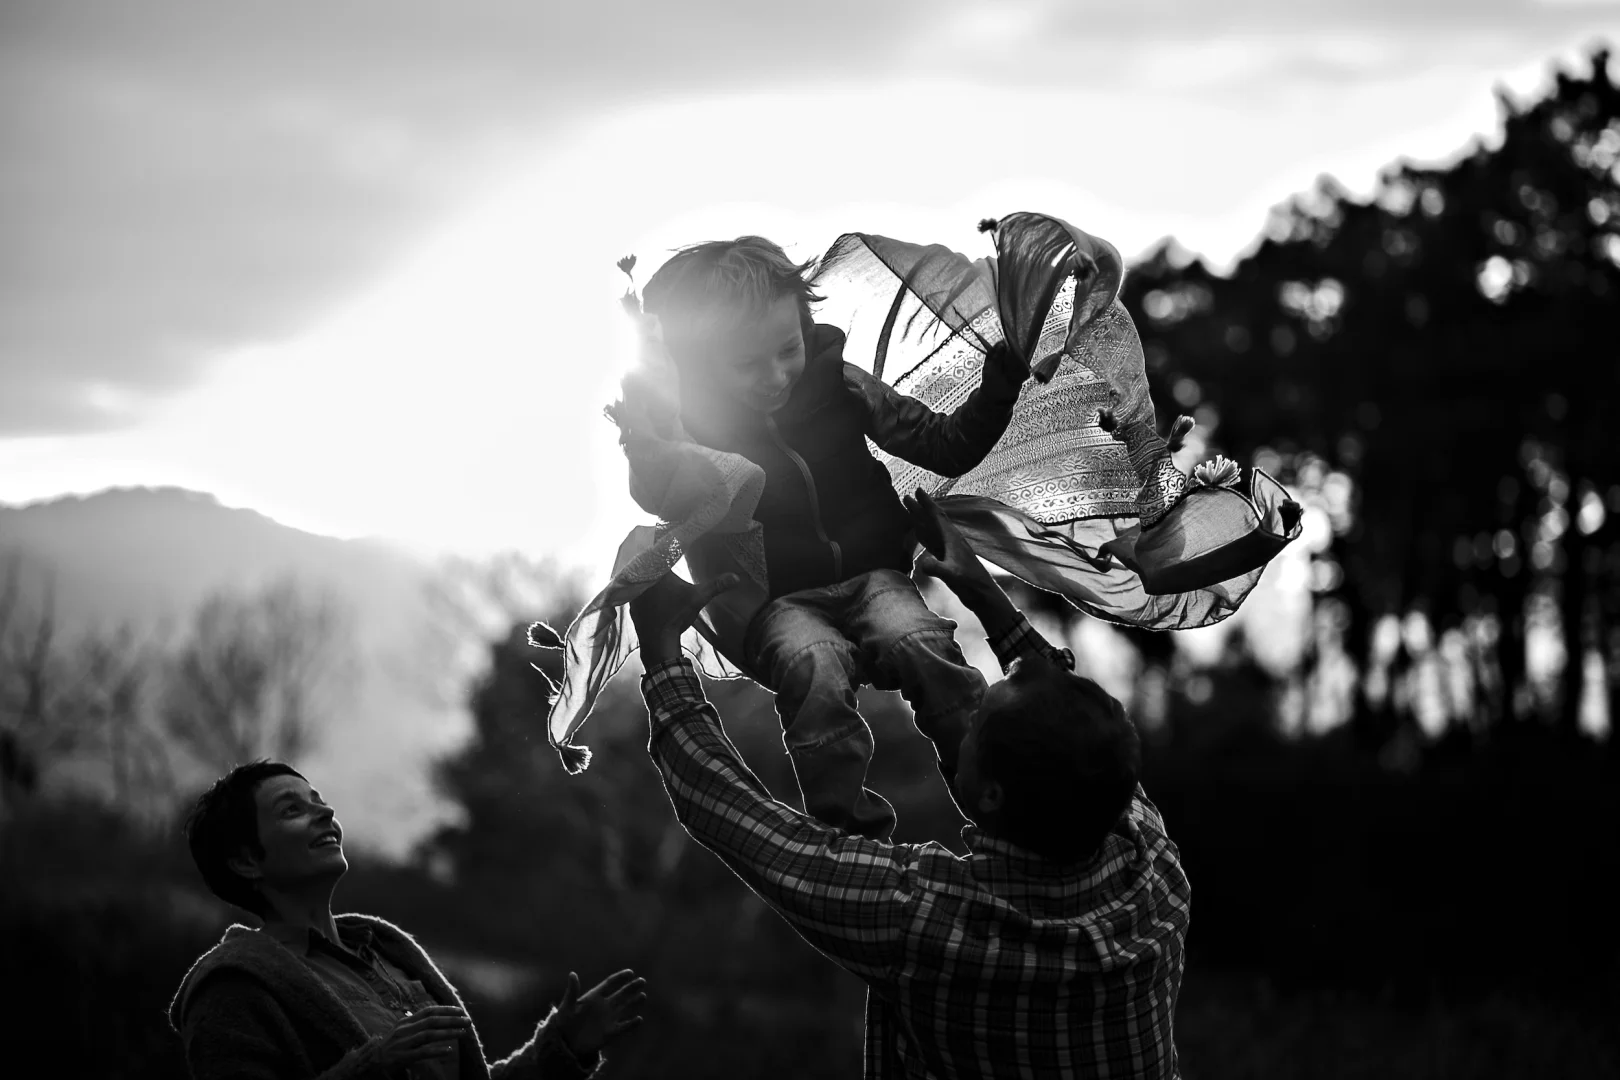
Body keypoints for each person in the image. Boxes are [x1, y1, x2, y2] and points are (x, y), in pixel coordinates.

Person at [627, 488, 1191, 1079]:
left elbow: (729, 812)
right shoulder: (1152, 874)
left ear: (992, 792)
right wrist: (980, 588)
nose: (964, 716)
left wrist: (663, 653)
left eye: (977, 722)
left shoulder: (920, 923)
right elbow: (1078, 735)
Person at [612, 235, 1032, 841]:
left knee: (919, 642)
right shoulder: (692, 429)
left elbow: (944, 444)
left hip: (874, 578)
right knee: (814, 666)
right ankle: (849, 833)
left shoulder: (841, 384)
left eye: (787, 349)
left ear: (805, 326)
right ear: (700, 363)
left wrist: (998, 387)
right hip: (778, 603)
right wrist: (646, 420)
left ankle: (993, 804)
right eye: (747, 364)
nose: (775, 374)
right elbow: (658, 490)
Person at [168, 761, 646, 1080]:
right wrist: (373, 1068)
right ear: (246, 862)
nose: (326, 812)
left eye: (318, 801)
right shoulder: (232, 989)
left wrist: (560, 1048)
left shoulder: (385, 953)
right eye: (292, 810)